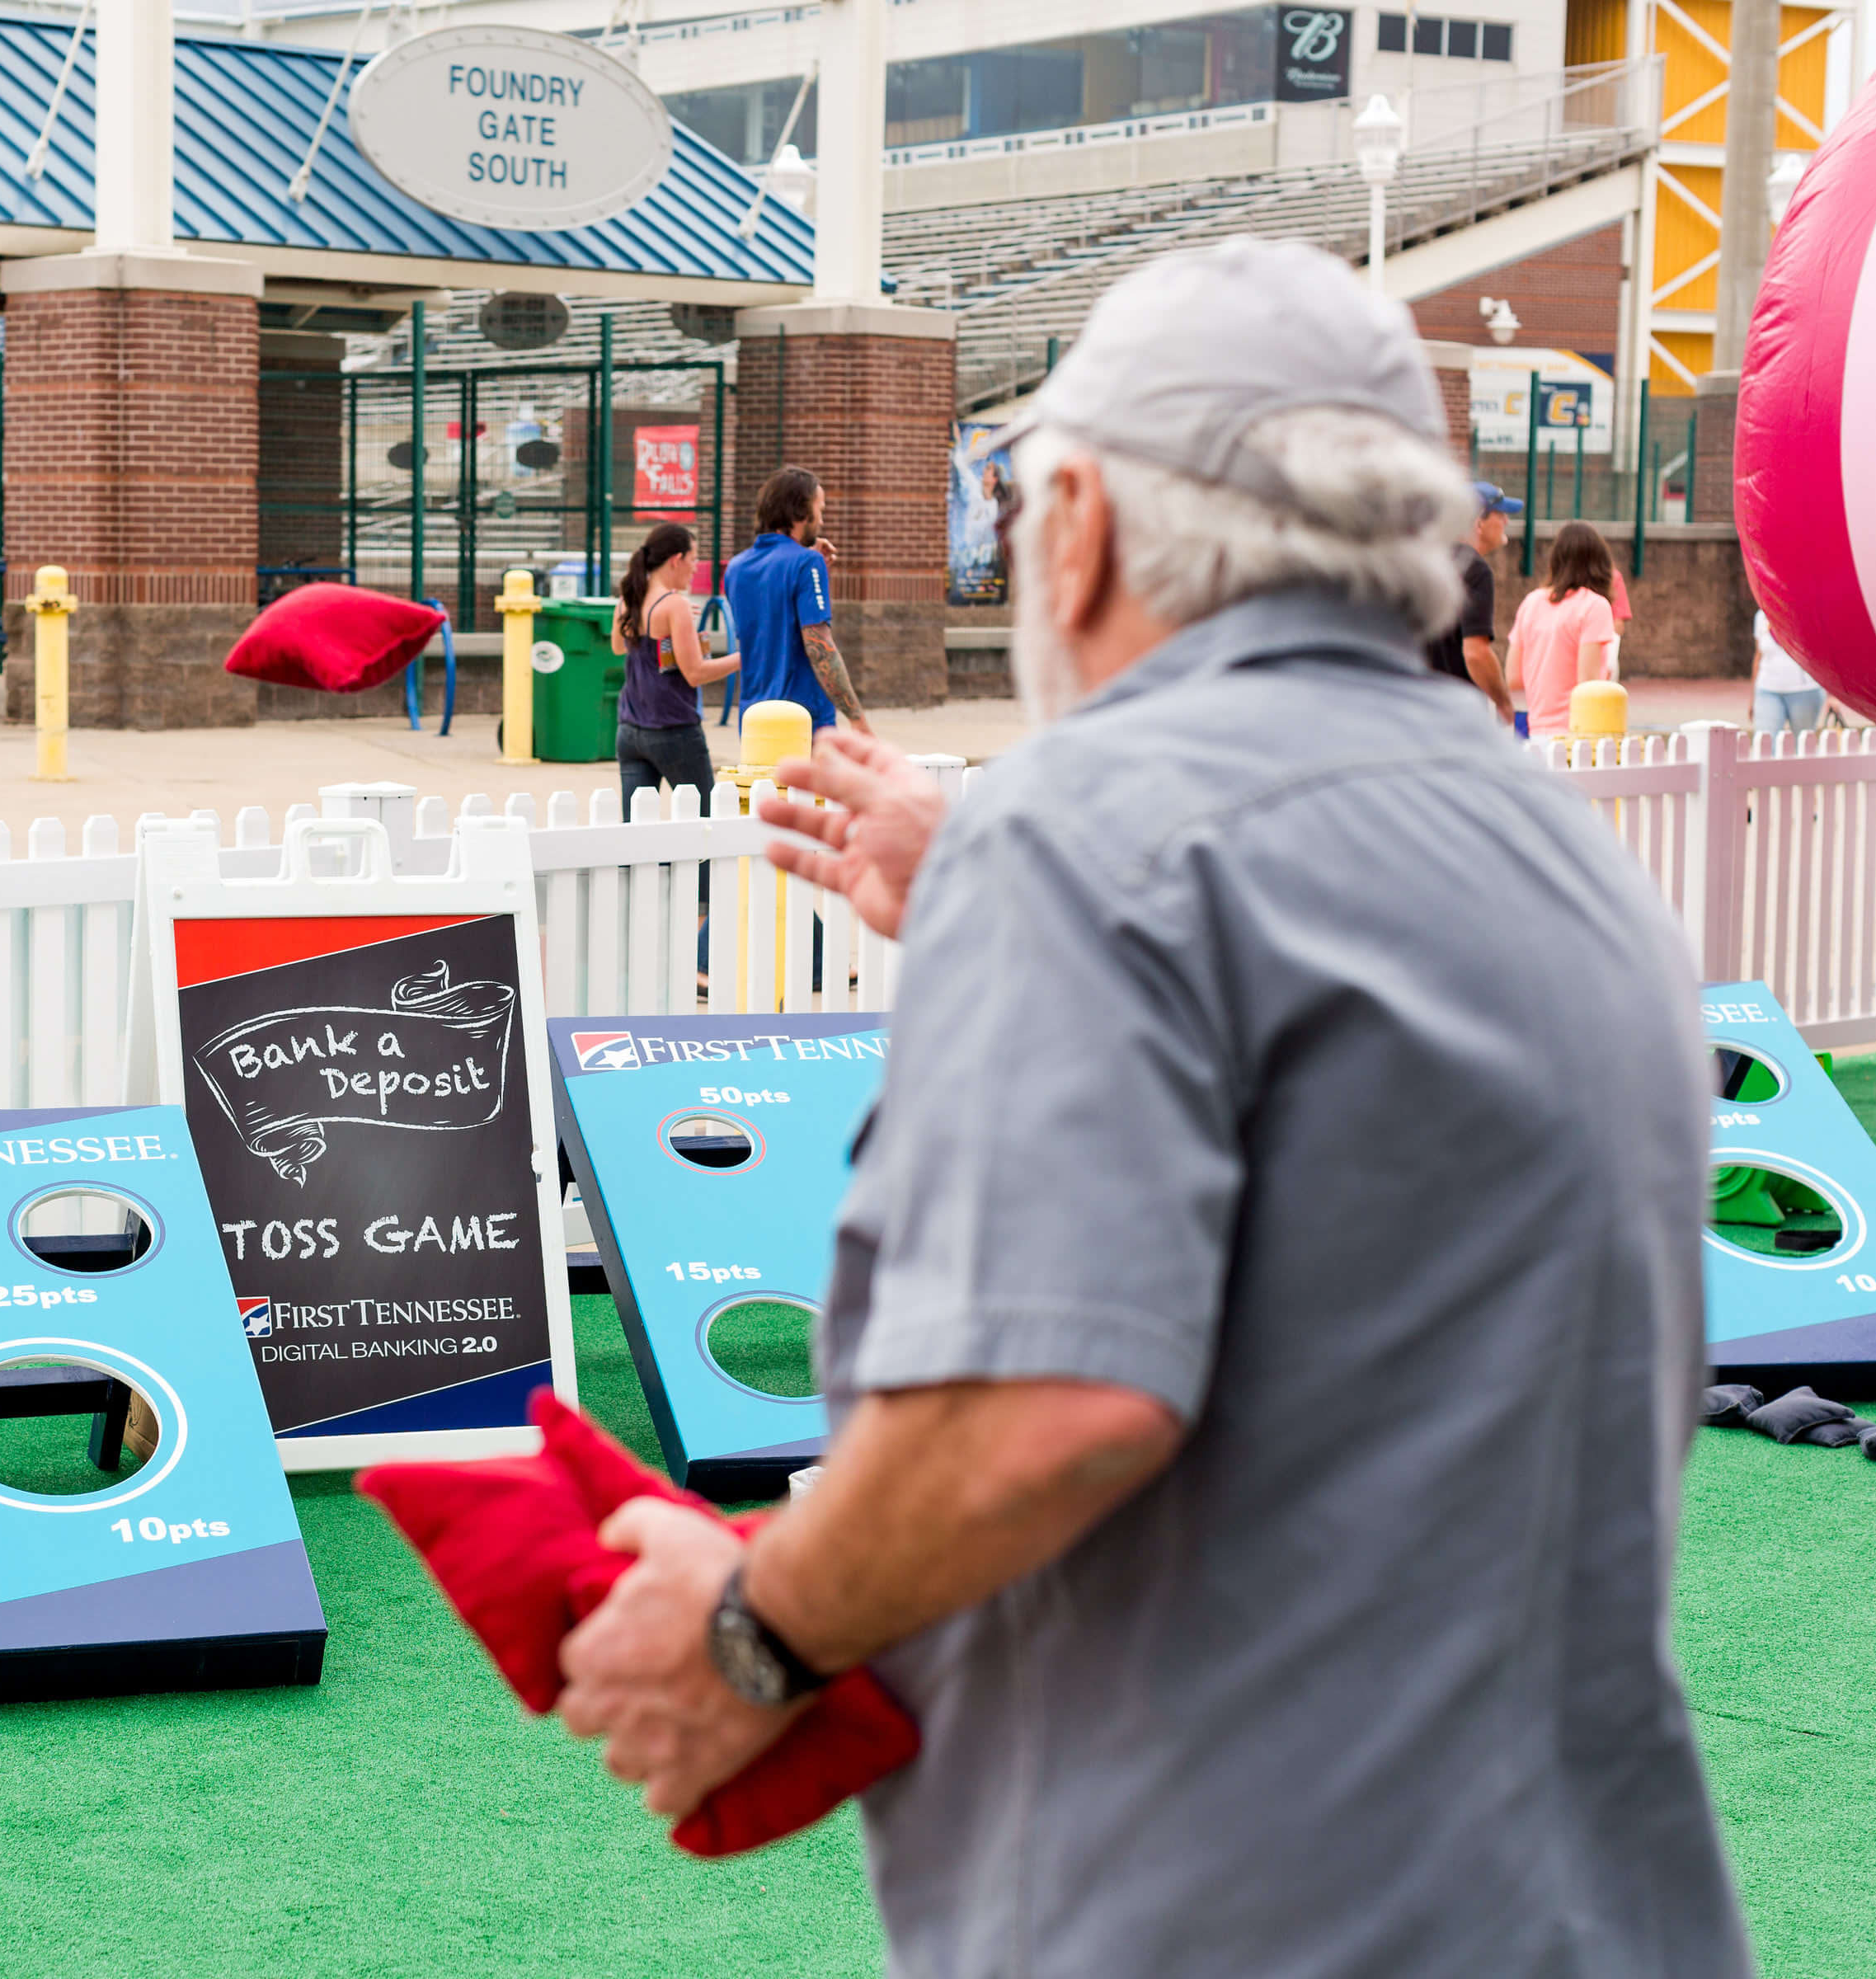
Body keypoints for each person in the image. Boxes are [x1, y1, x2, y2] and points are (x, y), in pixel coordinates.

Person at [552, 237, 1748, 1978]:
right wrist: (1002, 881)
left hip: (1219, 1910)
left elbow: (1046, 1408)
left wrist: (753, 1635)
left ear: (1088, 522)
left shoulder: (1094, 842)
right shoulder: (1571, 864)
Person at [722, 467, 870, 732]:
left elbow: (770, 624)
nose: (821, 520)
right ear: (801, 511)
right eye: (820, 510)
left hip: (754, 721)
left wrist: (813, 573)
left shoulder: (736, 568)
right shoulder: (807, 563)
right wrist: (858, 720)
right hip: (801, 721)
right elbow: (820, 648)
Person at [613, 522, 738, 820]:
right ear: (675, 560)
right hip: (673, 730)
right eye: (694, 560)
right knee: (703, 822)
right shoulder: (674, 606)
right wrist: (745, 658)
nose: (696, 569)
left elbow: (619, 647)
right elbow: (695, 672)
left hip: (630, 731)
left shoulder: (628, 600)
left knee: (637, 830)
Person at [1507, 519, 1618, 738]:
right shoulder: (1594, 605)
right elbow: (1588, 685)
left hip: (1535, 730)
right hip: (1577, 733)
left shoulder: (1531, 602)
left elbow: (1513, 677)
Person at [1424, 481, 1519, 720]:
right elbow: (1476, 653)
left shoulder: (1426, 562)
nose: (1506, 522)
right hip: (1455, 710)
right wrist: (1503, 702)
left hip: (1417, 703)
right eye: (1500, 514)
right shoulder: (1475, 571)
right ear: (1478, 521)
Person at [1752, 610, 1822, 733]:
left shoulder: (1807, 613)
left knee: (1803, 746)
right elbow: (1759, 655)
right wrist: (1753, 696)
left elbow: (1825, 655)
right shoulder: (1761, 616)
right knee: (1765, 743)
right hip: (1767, 690)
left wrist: (1833, 697)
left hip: (1804, 691)